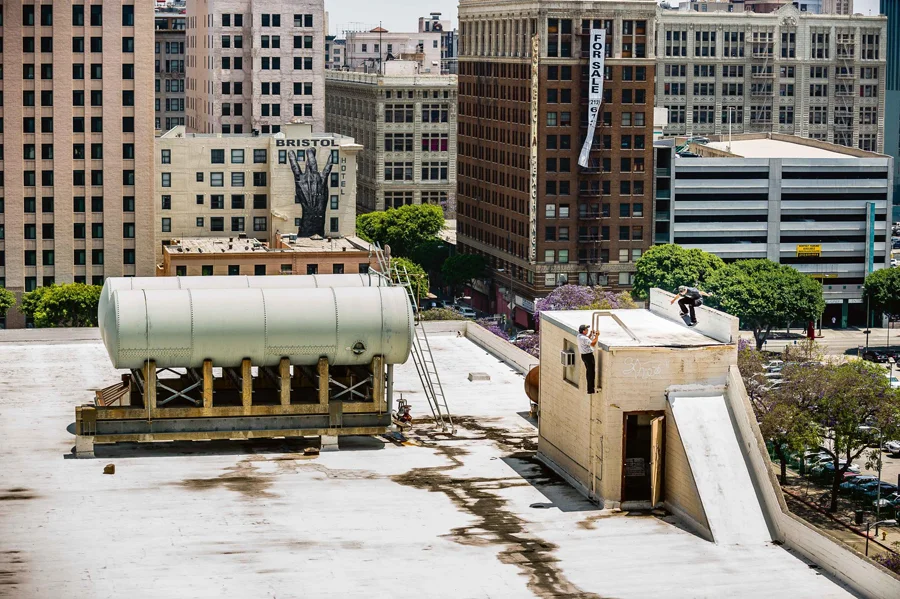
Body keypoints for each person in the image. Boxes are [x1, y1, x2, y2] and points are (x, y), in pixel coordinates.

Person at [577, 325, 600, 394]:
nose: (587, 330)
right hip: (588, 356)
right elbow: (592, 343)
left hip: (584, 356)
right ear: (583, 331)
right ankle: (590, 389)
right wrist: (597, 336)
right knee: (591, 372)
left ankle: (590, 388)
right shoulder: (584, 338)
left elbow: (586, 340)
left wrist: (590, 334)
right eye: (586, 329)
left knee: (589, 371)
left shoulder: (579, 336)